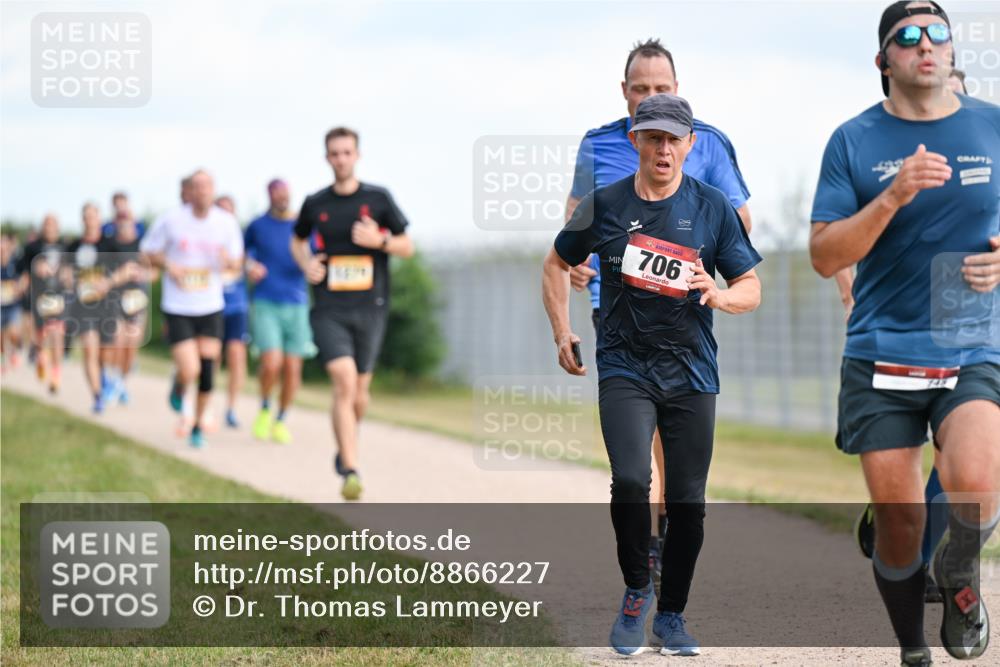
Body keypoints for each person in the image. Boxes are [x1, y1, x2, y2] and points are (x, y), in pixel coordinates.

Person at [809, 3, 1000, 664]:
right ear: (883, 60)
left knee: (975, 477)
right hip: (883, 345)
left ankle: (958, 569)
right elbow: (825, 255)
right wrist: (891, 198)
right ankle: (912, 649)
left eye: (938, 33)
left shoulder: (993, 126)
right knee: (899, 523)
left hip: (969, 335)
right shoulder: (854, 141)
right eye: (908, 36)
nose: (926, 44)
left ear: (951, 51)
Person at [543, 94, 761, 656]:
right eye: (653, 137)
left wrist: (719, 293)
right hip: (625, 366)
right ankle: (637, 589)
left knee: (688, 500)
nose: (663, 149)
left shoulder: (711, 206)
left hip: (691, 370)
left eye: (674, 139)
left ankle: (672, 616)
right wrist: (562, 330)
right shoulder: (604, 204)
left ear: (691, 145)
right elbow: (555, 261)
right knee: (634, 481)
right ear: (635, 140)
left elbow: (752, 288)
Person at [567, 38, 753, 582]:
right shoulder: (598, 145)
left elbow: (740, 222)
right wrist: (579, 265)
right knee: (639, 431)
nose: (649, 94)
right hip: (617, 306)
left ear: (678, 91)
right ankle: (649, 540)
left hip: (683, 309)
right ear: (624, 94)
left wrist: (699, 259)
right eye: (640, 88)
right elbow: (575, 216)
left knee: (670, 428)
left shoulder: (710, 144)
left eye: (661, 88)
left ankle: (670, 521)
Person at [291, 127, 414, 500]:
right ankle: (351, 467)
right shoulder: (316, 203)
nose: (340, 159)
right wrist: (306, 264)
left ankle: (345, 445)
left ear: (356, 155)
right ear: (326, 157)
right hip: (329, 307)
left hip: (371, 307)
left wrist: (381, 241)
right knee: (343, 380)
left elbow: (407, 245)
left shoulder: (378, 199)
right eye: (334, 153)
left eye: (346, 152)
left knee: (359, 392)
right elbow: (297, 239)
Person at [140, 170, 245, 448]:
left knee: (208, 370)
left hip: (210, 304)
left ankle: (197, 424)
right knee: (190, 369)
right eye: (196, 187)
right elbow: (147, 251)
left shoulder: (226, 223)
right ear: (189, 191)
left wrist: (227, 262)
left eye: (207, 186)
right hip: (178, 306)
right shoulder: (172, 220)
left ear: (213, 190)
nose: (202, 192)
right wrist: (168, 265)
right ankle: (179, 383)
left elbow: (237, 263)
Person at [245, 179, 312, 445]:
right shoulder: (257, 225)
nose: (282, 198)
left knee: (293, 368)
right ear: (269, 196)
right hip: (266, 299)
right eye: (277, 194)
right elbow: (242, 253)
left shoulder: (303, 226)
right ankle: (264, 408)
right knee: (271, 362)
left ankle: (281, 419)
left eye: (285, 194)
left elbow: (317, 253)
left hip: (297, 302)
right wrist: (250, 266)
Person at [65, 203, 126, 413]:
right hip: (83, 307)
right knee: (89, 351)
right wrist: (71, 281)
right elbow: (65, 273)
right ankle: (97, 396)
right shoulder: (73, 246)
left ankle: (105, 377)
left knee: (104, 355)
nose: (90, 220)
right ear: (83, 220)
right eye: (86, 216)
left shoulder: (110, 244)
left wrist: (107, 282)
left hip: (107, 306)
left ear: (99, 219)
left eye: (94, 216)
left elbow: (126, 270)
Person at [19, 214, 70, 394]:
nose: (49, 228)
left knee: (56, 335)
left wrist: (67, 276)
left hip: (58, 298)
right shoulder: (32, 247)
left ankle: (56, 374)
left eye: (53, 224)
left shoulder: (65, 247)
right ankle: (41, 356)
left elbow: (71, 272)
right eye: (46, 225)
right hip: (38, 298)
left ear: (57, 227)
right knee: (39, 337)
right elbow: (24, 272)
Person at [108, 206, 153, 405]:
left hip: (137, 301)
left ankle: (122, 383)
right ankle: (114, 378)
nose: (124, 224)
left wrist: (144, 274)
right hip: (115, 299)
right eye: (121, 220)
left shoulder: (143, 245)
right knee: (118, 341)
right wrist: (121, 275)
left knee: (131, 347)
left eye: (128, 220)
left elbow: (155, 271)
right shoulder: (110, 246)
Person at [214, 194, 250, 429]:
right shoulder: (205, 238)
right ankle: (204, 402)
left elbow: (250, 261)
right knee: (212, 357)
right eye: (221, 210)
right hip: (212, 305)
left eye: (230, 210)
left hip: (237, 305)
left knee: (237, 355)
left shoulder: (241, 239)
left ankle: (231, 408)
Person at [1, 231, 24, 371]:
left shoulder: (15, 263)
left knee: (14, 332)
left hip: (13, 305)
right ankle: (3, 360)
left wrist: (19, 287)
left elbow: (23, 279)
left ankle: (16, 350)